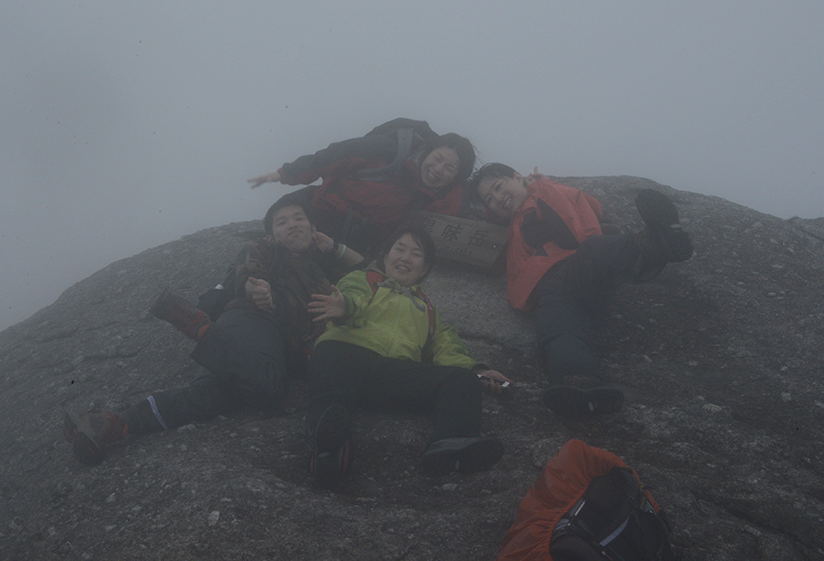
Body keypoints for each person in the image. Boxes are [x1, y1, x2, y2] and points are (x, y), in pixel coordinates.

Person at [62, 193, 363, 465]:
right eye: (282, 222)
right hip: (251, 321)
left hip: (264, 348)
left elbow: (374, 275)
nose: (292, 225)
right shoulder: (262, 250)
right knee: (268, 390)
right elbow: (248, 273)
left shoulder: (326, 267)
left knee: (210, 395)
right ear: (271, 235)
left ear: (314, 230)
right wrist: (254, 289)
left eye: (300, 219)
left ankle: (112, 424)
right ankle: (201, 328)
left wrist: (336, 247)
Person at [471, 164, 693, 417]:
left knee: (596, 250)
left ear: (518, 177)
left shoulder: (544, 195)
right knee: (558, 331)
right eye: (489, 199)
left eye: (499, 188)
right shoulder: (513, 220)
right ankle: (579, 384)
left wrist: (540, 187)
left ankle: (654, 245)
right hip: (547, 294)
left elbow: (571, 235)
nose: (497, 199)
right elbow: (495, 216)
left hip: (575, 268)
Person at [303, 223, 511, 489]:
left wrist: (477, 371)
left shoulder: (429, 309)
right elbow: (352, 297)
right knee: (330, 376)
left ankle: (450, 447)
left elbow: (447, 348)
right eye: (399, 249)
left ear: (424, 268)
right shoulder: (365, 279)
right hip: (346, 355)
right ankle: (328, 451)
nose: (405, 257)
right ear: (386, 256)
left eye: (415, 254)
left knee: (460, 380)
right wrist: (344, 307)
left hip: (392, 374)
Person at [247, 118, 477, 255]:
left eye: (450, 168)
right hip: (323, 209)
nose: (438, 169)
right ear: (426, 151)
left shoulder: (443, 195)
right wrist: (284, 174)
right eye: (437, 159)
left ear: (457, 177)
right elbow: (332, 157)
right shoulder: (388, 150)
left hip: (362, 240)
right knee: (282, 221)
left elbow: (461, 212)